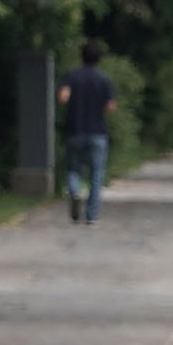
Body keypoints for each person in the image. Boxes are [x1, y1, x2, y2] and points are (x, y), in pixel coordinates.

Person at [56, 41, 114, 221]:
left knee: (74, 168)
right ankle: (92, 215)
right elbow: (111, 107)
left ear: (81, 56)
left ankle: (74, 192)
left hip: (75, 130)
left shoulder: (71, 77)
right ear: (99, 59)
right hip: (98, 131)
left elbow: (63, 97)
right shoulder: (104, 80)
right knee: (97, 173)